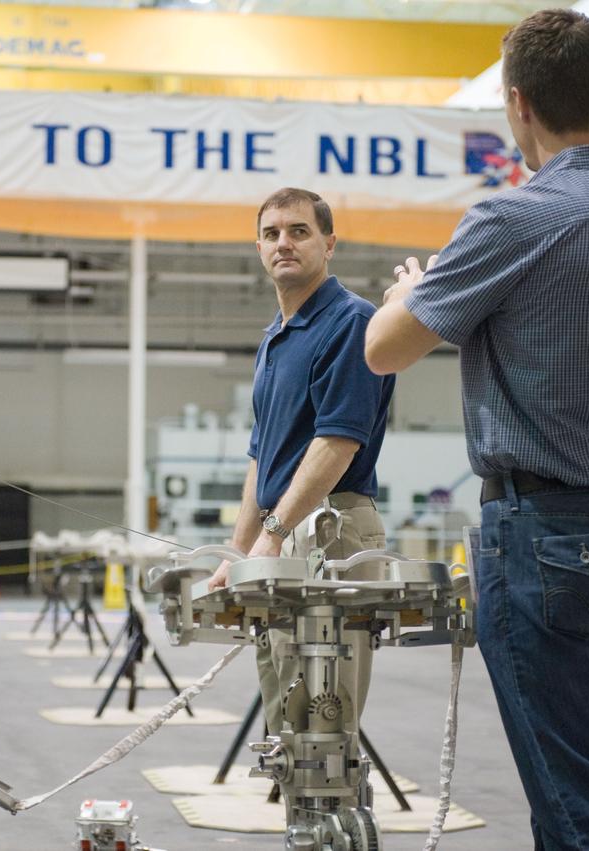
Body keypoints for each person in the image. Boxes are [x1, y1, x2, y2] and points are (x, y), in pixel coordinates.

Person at [364, 10, 589, 851]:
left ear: (517, 104)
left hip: (549, 537)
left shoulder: (514, 220)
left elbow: (384, 350)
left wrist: (414, 289)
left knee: (585, 809)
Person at [208, 187, 396, 755]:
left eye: (298, 231)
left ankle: (336, 840)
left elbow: (336, 444)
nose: (283, 243)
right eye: (271, 234)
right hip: (285, 532)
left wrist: (274, 535)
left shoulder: (352, 322)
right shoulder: (276, 337)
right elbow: (260, 457)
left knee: (323, 726)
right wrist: (237, 556)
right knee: (285, 728)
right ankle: (303, 835)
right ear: (259, 248)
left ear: (329, 243)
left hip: (331, 531)